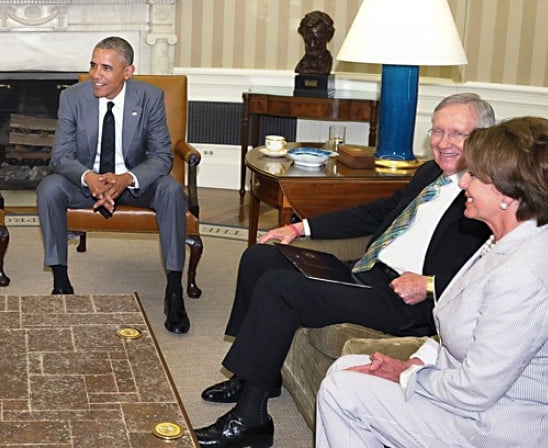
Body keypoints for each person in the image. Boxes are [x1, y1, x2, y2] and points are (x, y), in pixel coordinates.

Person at [194, 92, 495, 448]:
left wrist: (430, 284)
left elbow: (490, 269)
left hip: (404, 300)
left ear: (484, 139)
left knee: (280, 287)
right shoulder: (430, 173)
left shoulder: (488, 194)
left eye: (457, 134)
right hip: (368, 272)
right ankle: (255, 375)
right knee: (261, 257)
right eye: (437, 131)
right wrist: (298, 228)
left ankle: (249, 420)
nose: (444, 143)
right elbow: (376, 213)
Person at [316, 116, 548, 447]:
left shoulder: (521, 276)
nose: (464, 182)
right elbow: (459, 331)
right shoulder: (502, 240)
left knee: (344, 390)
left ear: (508, 194)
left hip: (494, 425)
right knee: (348, 368)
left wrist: (407, 375)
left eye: (476, 176)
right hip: (470, 401)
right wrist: (415, 361)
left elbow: (476, 390)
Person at [36, 36, 191, 334]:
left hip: (135, 183)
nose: (96, 75)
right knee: (49, 188)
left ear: (128, 72)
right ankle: (60, 281)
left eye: (106, 68)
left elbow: (161, 157)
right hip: (87, 183)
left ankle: (174, 291)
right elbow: (61, 157)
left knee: (171, 190)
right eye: (93, 65)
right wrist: (90, 178)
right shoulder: (72, 97)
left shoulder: (150, 97)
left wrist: (126, 179)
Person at [293, 10, 334, 76]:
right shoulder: (302, 65)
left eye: (318, 40)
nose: (312, 45)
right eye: (307, 40)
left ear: (329, 36)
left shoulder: (326, 64)